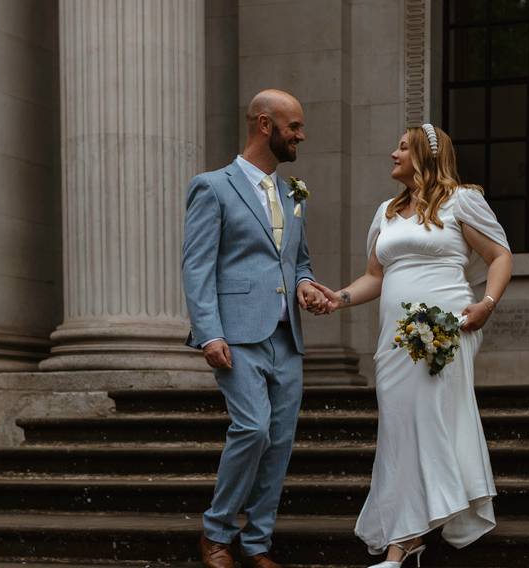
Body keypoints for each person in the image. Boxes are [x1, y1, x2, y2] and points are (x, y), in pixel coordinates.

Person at [311, 124, 513, 567]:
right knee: (401, 431)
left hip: (446, 329)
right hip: (395, 340)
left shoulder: (461, 201)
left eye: (402, 147)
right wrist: (337, 299)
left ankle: (400, 546)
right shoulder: (385, 211)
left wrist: (487, 305)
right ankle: (412, 536)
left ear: (425, 154)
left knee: (432, 423)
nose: (393, 153)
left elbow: (501, 255)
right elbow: (375, 278)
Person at [182, 89, 328, 568]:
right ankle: (217, 532)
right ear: (265, 125)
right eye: (295, 127)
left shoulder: (293, 193)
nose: (300, 137)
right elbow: (197, 265)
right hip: (236, 333)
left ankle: (258, 542)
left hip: (287, 336)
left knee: (280, 439)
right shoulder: (213, 186)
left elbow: (299, 262)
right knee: (252, 427)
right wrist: (209, 332)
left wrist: (305, 285)